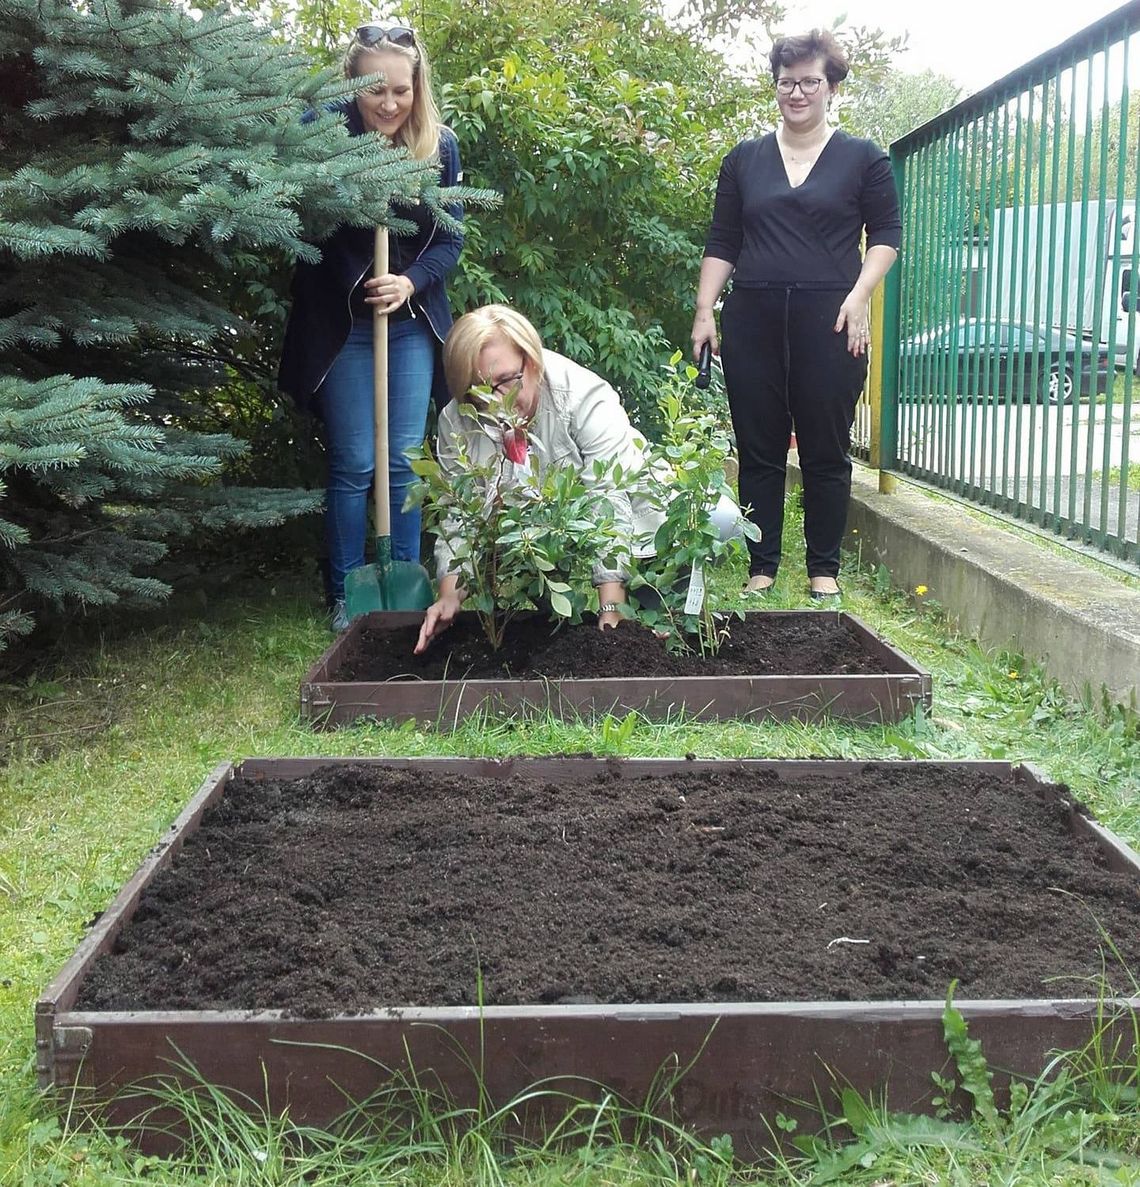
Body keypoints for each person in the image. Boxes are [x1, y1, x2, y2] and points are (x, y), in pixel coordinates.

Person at [691, 29, 900, 600]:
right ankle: (762, 566)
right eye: (787, 82)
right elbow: (723, 239)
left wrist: (859, 294)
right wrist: (705, 309)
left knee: (825, 447)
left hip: (831, 318)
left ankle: (823, 569)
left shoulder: (864, 158)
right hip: (753, 316)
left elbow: (886, 235)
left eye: (809, 81)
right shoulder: (743, 160)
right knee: (758, 445)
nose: (797, 92)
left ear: (831, 87)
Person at [414, 305, 740, 654]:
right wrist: (450, 595)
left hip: (632, 509)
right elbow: (459, 513)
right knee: (556, 626)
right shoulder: (458, 421)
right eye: (479, 390)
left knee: (722, 519)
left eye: (507, 381)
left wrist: (611, 609)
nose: (496, 401)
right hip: (543, 534)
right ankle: (560, 617)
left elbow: (607, 498)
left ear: (532, 362)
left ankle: (655, 602)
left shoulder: (583, 396)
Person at [278, 22, 463, 631]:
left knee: (405, 460)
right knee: (357, 461)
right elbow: (305, 227)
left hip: (407, 324)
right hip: (343, 327)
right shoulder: (324, 134)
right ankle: (344, 591)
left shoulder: (439, 145)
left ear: (418, 87)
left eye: (401, 91)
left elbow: (450, 239)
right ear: (352, 84)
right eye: (374, 90)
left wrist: (408, 282)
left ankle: (402, 581)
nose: (388, 104)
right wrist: (359, 279)